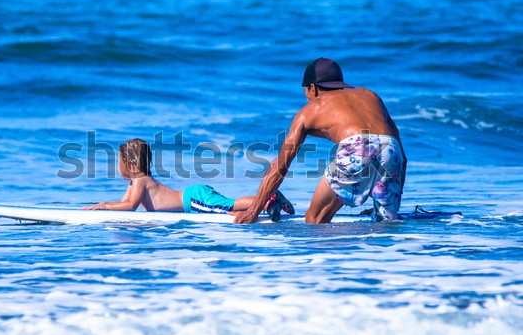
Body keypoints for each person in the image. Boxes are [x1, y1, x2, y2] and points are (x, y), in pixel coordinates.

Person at [233, 57, 407, 224]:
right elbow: (398, 154)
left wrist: (253, 210)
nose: (307, 97)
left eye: (305, 92)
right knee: (386, 224)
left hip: (357, 148)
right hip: (391, 148)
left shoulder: (312, 108)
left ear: (313, 89)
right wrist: (387, 199)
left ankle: (329, 254)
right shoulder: (370, 95)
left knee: (315, 219)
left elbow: (281, 164)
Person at [83, 138, 295, 220]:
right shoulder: (135, 181)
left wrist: (104, 206)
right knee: (227, 208)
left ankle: (269, 199)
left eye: (119, 163)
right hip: (194, 197)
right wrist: (106, 206)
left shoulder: (141, 180)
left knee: (229, 207)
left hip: (193, 200)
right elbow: (124, 203)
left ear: (129, 164)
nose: (118, 168)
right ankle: (269, 201)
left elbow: (130, 206)